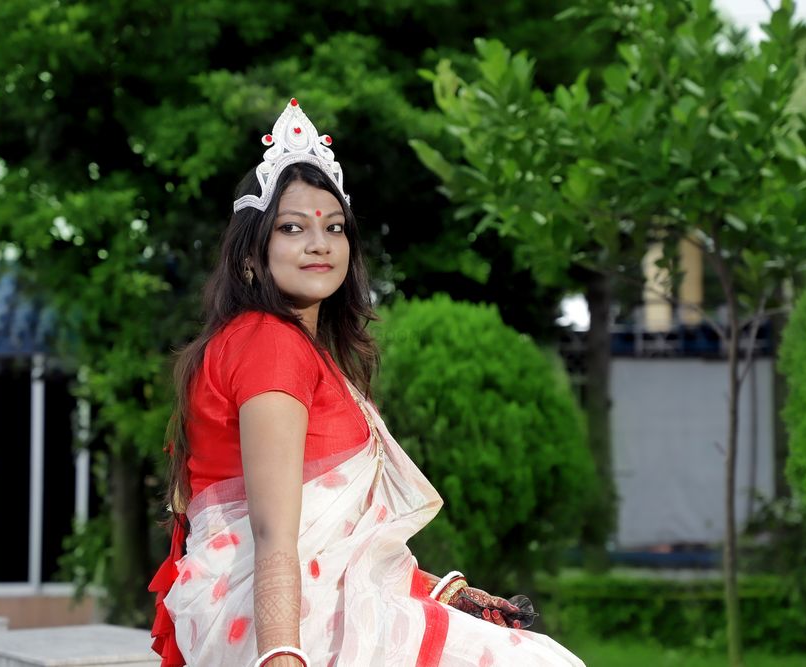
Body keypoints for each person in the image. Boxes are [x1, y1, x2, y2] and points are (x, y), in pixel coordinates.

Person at [149, 98, 585, 667]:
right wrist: (282, 657)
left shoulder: (282, 344)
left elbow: (338, 546)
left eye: (334, 228)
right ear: (251, 258)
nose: (319, 243)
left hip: (308, 603)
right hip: (291, 621)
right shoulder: (269, 343)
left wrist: (444, 594)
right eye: (292, 228)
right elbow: (278, 534)